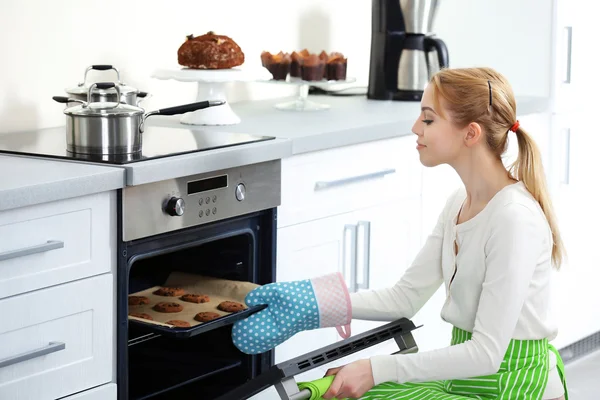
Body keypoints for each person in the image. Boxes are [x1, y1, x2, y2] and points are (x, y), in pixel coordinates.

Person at [232, 67, 568, 400]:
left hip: (515, 385)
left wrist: (375, 370)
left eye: (428, 119)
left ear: (471, 134)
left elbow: (486, 354)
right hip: (466, 381)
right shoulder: (458, 204)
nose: (415, 128)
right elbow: (404, 298)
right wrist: (314, 305)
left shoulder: (513, 219)